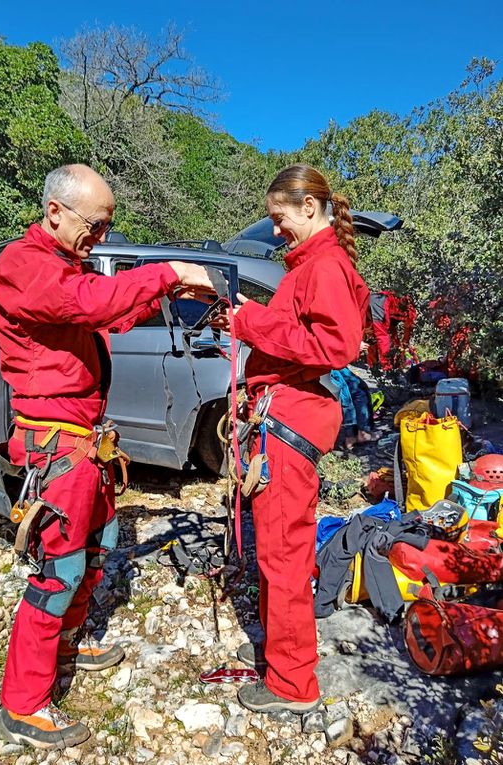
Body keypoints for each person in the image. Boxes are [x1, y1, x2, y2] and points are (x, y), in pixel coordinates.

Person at [0, 164, 216, 749]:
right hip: (55, 442)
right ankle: (24, 703)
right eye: (96, 224)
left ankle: (68, 643)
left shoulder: (67, 268)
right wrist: (165, 272)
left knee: (97, 547)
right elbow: (85, 305)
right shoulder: (24, 265)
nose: (103, 238)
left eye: (109, 226)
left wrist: (171, 299)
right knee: (56, 570)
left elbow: (104, 312)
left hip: (86, 441)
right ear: (56, 210)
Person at [214, 164, 370, 714]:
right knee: (284, 548)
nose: (276, 231)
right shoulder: (313, 265)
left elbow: (336, 346)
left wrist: (251, 323)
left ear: (309, 208)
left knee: (282, 552)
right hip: (281, 417)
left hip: (287, 427)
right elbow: (301, 340)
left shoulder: (323, 265)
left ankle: (292, 683)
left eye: (280, 220)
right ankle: (282, 650)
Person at [330, 366, 375, 450]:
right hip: (321, 364)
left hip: (328, 362)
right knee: (345, 395)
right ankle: (351, 436)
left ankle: (362, 430)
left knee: (358, 387)